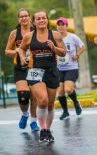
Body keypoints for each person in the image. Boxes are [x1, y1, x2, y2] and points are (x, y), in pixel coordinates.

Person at [19, 10, 66, 142]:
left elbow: (63, 53)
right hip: (35, 71)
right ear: (34, 22)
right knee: (43, 100)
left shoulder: (55, 35)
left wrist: (54, 48)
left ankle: (47, 130)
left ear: (47, 20)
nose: (41, 20)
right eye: (38, 19)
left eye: (43, 18)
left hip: (51, 71)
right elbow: (22, 48)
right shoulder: (29, 36)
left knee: (50, 104)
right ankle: (43, 129)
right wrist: (23, 58)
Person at [5, 8, 39, 131]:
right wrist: (17, 50)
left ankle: (34, 122)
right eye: (21, 16)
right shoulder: (15, 33)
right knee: (23, 96)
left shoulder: (36, 31)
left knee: (34, 96)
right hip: (20, 67)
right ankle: (25, 115)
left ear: (30, 18)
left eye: (26, 16)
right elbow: (7, 51)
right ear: (18, 19)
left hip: (35, 66)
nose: (24, 18)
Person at [56, 17, 86, 120]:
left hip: (71, 67)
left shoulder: (72, 37)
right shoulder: (55, 38)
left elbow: (82, 47)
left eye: (62, 24)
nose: (60, 27)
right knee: (60, 92)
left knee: (68, 90)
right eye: (58, 25)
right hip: (59, 68)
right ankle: (65, 112)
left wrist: (77, 55)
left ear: (66, 26)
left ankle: (76, 103)